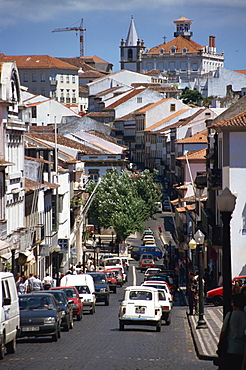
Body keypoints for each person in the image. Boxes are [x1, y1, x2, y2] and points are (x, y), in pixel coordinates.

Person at [217, 293, 246, 370]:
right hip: (242, 351)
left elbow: (223, 332)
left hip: (230, 349)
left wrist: (220, 345)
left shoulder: (230, 315)